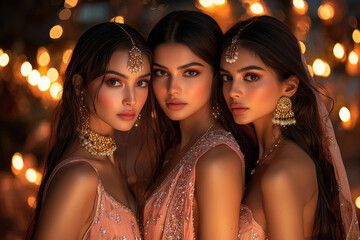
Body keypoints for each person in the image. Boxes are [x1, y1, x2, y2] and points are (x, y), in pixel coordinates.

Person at [220, 15, 360, 240]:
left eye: (251, 77)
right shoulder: (267, 157)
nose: (233, 90)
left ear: (289, 87)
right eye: (227, 77)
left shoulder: (281, 174)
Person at [27, 21, 154, 239]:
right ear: (79, 86)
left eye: (141, 83)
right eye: (115, 82)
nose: (131, 100)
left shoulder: (110, 161)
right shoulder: (79, 177)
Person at [143, 10, 253, 240]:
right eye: (162, 72)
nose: (173, 87)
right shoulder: (173, 147)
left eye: (190, 72)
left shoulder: (217, 161)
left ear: (216, 76)